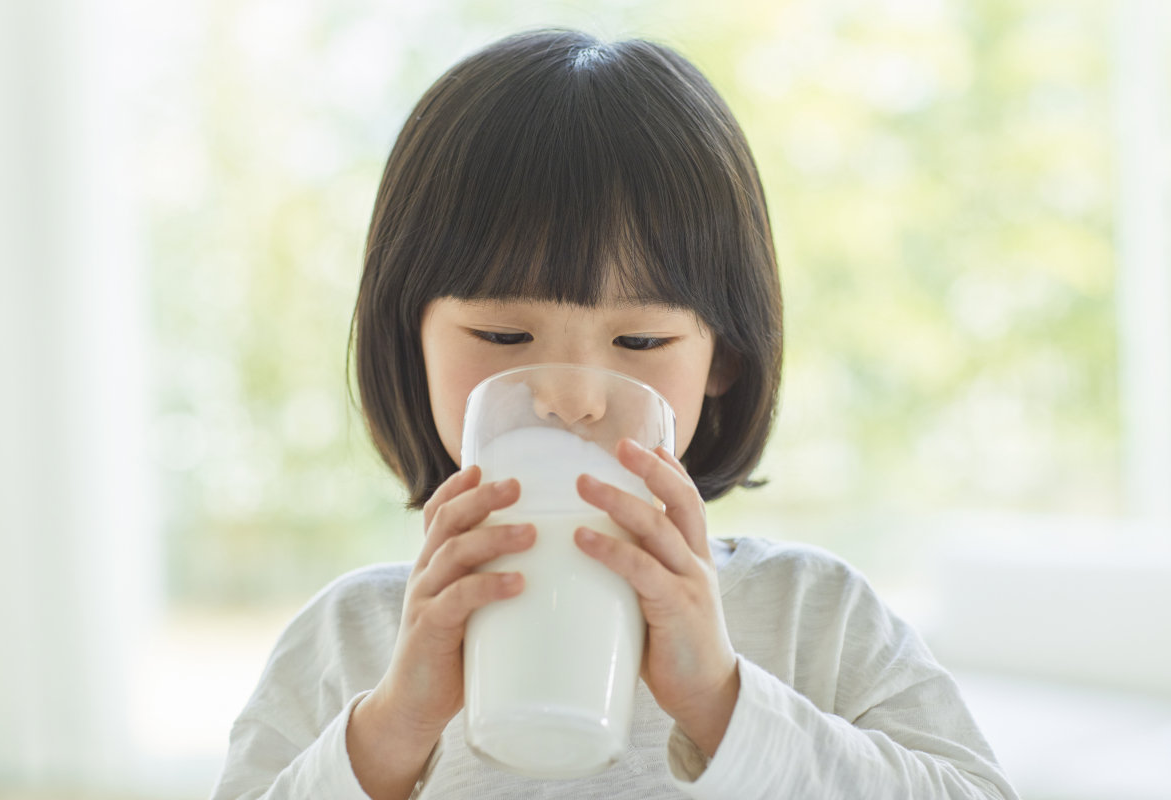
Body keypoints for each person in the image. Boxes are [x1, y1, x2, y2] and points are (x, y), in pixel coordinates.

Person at [210, 28, 1018, 800]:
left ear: (723, 360)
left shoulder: (814, 615)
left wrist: (721, 699)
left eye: (639, 338)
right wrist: (391, 729)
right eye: (502, 333)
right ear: (408, 337)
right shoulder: (350, 639)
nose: (571, 397)